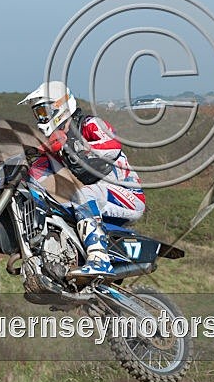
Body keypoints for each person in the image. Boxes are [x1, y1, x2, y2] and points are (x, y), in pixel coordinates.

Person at [18, 81, 145, 278]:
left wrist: (74, 145)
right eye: (38, 114)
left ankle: (100, 260)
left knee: (83, 194)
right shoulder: (57, 140)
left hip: (128, 195)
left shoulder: (89, 124)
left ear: (58, 107)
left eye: (43, 112)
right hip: (100, 197)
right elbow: (37, 169)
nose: (41, 119)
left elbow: (113, 146)